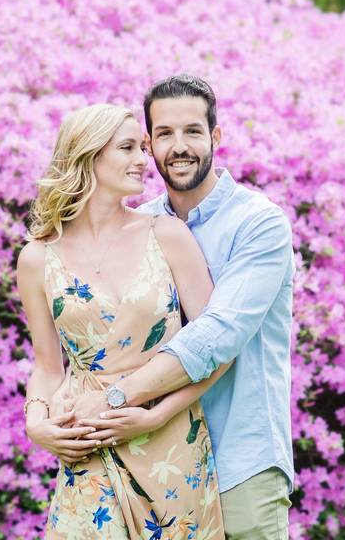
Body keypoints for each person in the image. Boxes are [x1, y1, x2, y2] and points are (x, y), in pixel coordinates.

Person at [72, 75, 295, 539]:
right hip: (154, 462)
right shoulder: (140, 226)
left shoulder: (259, 224)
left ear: (215, 136)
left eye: (193, 131)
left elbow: (217, 335)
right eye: (166, 135)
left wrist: (116, 400)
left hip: (241, 462)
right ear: (148, 144)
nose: (180, 147)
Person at [17, 103, 230, 539]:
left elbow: (215, 351)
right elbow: (47, 368)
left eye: (142, 148)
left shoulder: (166, 235)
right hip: (89, 447)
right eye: (128, 148)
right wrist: (36, 424)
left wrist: (154, 417)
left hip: (172, 448)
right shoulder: (37, 258)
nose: (143, 160)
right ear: (89, 154)